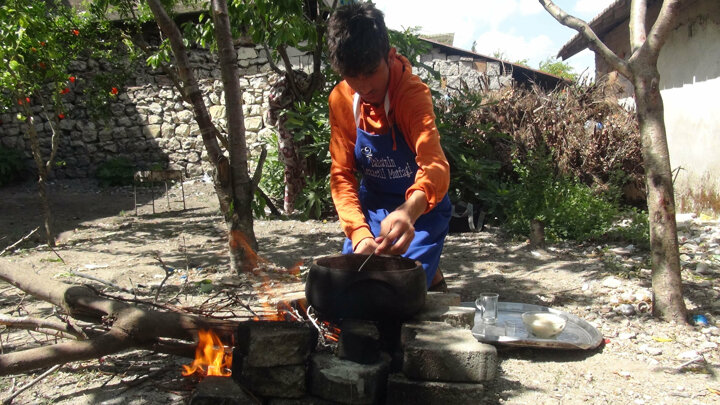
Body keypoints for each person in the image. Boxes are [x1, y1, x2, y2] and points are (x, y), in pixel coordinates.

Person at [326, 2, 451, 291]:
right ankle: (432, 275)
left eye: (371, 72)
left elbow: (436, 167)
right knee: (354, 283)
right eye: (353, 77)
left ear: (388, 54)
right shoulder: (341, 100)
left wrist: (408, 212)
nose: (364, 87)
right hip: (374, 206)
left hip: (422, 209)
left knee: (395, 286)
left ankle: (427, 276)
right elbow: (342, 174)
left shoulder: (411, 94)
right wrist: (360, 234)